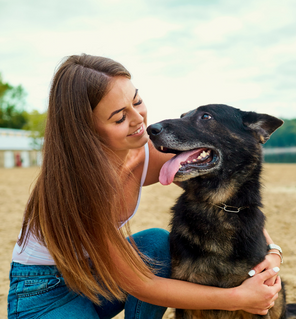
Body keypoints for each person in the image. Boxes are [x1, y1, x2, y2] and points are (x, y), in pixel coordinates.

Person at [7, 54, 282, 319]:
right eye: (119, 118)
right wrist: (241, 298)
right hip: (43, 292)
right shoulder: (78, 185)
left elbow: (228, 201)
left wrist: (272, 251)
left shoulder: (147, 154)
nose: (139, 120)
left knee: (155, 243)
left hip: (95, 276)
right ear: (86, 129)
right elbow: (142, 286)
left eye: (136, 101)